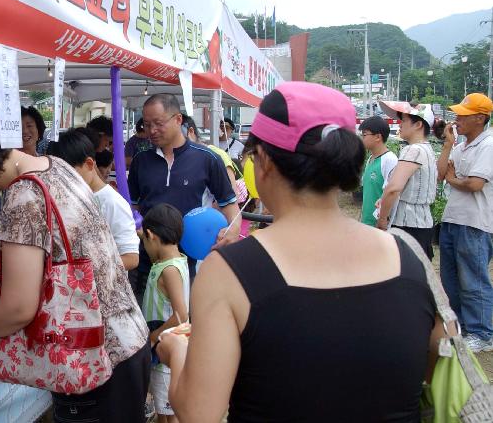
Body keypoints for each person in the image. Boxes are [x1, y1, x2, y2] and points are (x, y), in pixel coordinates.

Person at [156, 82, 441, 422]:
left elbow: (199, 413)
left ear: (263, 162)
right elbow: (431, 363)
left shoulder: (228, 273)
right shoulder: (409, 256)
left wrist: (176, 351)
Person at [0, 109, 149, 423]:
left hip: (92, 357)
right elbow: (51, 261)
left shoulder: (22, 197)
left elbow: (17, 309)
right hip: (126, 341)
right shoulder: (54, 166)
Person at [129, 94, 240, 292]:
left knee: (183, 319)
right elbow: (133, 206)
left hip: (187, 261)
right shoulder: (141, 161)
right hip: (146, 261)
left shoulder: (207, 159)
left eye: (158, 123)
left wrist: (232, 230)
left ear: (178, 119)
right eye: (146, 125)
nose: (152, 131)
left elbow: (229, 204)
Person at [437, 93, 493, 352]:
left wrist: (452, 179)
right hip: (453, 219)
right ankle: (462, 327)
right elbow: (440, 175)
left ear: (480, 118)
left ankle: (482, 333)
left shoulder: (488, 145)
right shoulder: (461, 147)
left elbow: (474, 184)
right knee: (451, 279)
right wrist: (448, 145)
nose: (457, 119)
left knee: (473, 279)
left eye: (463, 115)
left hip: (475, 223)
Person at [47, 129, 139, 270]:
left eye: (69, 175)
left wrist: (86, 270)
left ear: (89, 164)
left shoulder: (112, 202)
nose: (63, 182)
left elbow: (131, 258)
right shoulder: (68, 196)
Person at [141, 204, 189, 423]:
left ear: (152, 235)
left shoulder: (168, 270)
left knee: (167, 414)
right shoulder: (174, 260)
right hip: (168, 349)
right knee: (169, 412)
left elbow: (181, 314)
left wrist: (153, 336)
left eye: (144, 240)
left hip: (165, 353)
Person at [376, 102, 437, 259]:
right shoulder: (426, 149)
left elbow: (393, 189)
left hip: (408, 224)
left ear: (417, 125)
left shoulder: (413, 150)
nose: (400, 124)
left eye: (403, 121)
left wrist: (383, 219)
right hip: (422, 222)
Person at [358, 116, 398, 227]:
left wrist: (382, 221)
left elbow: (391, 194)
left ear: (378, 137)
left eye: (364, 135)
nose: (362, 138)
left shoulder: (389, 160)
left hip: (379, 226)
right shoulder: (371, 159)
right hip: (366, 224)